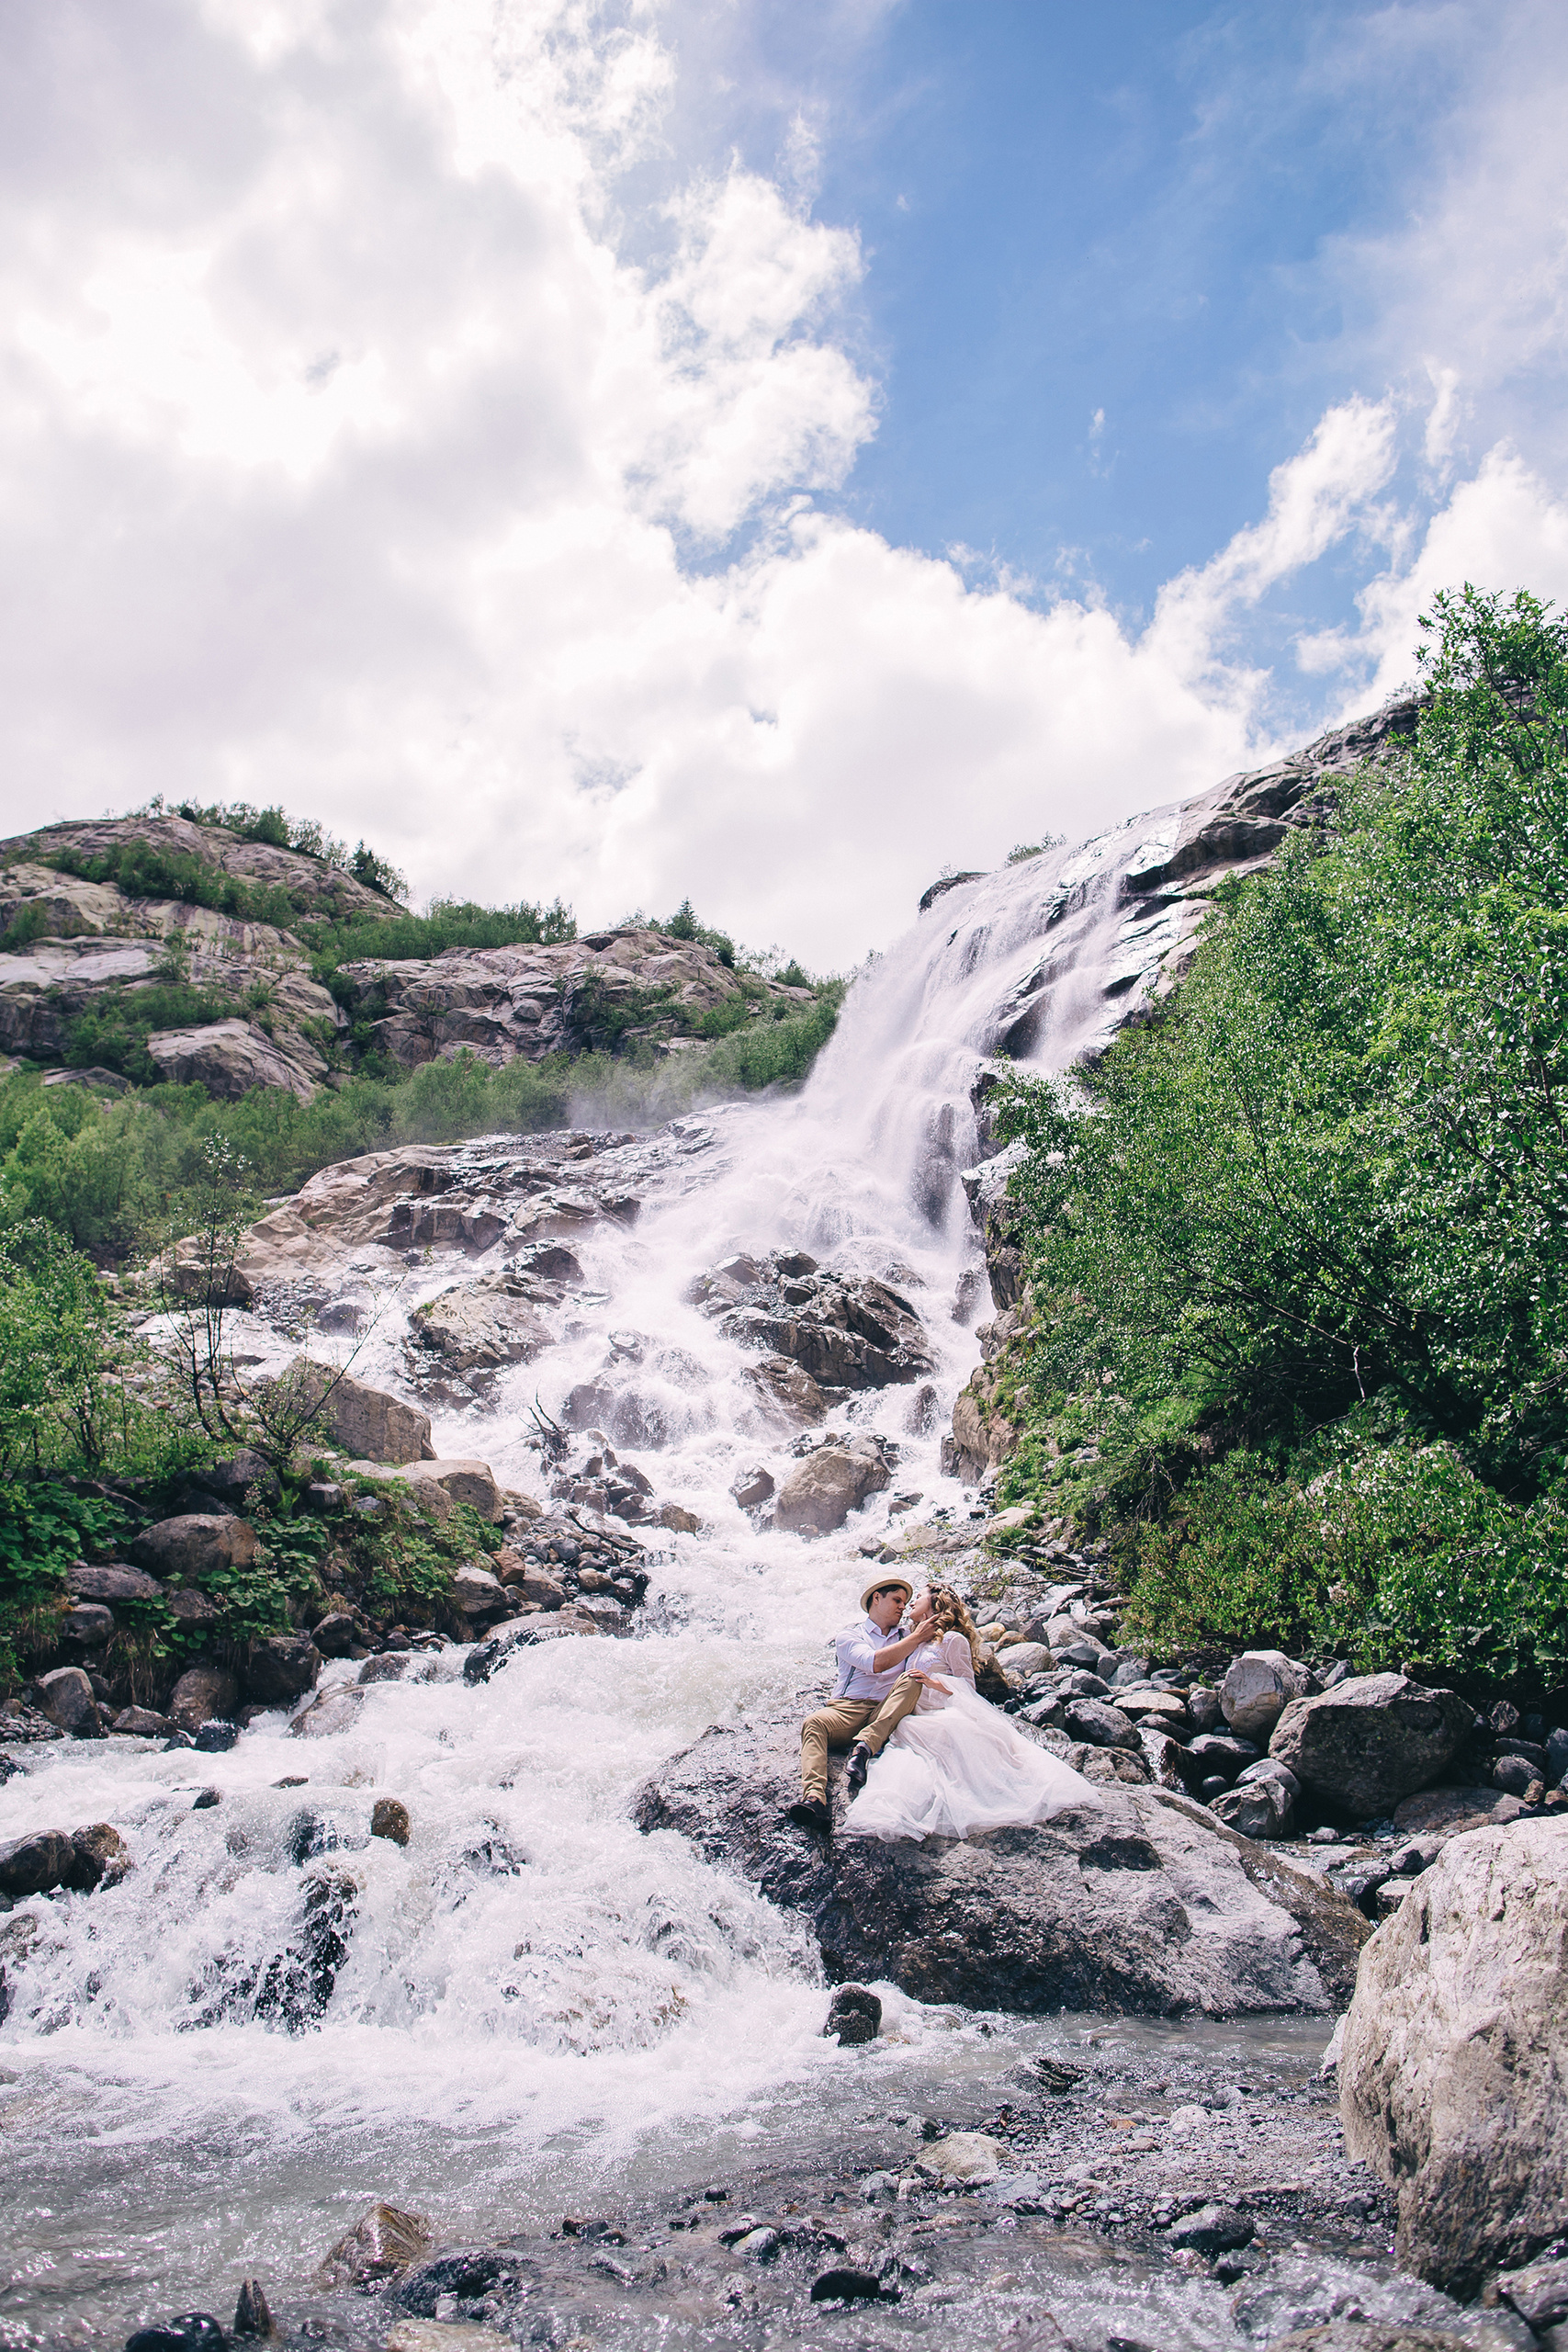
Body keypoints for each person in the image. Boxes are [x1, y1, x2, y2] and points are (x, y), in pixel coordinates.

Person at [841, 1582, 1099, 1842]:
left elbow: (967, 1688)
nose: (909, 1603)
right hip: (912, 1712)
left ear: (935, 1604)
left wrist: (931, 1682)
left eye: (917, 1597)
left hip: (940, 1713)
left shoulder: (953, 1640)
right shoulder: (912, 1639)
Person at [785, 1577, 930, 1835]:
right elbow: (875, 1663)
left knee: (912, 1680)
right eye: (897, 1600)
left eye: (906, 1603)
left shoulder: (908, 1635)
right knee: (814, 1722)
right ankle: (815, 1801)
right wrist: (916, 1639)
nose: (902, 1607)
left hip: (887, 1710)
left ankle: (863, 1749)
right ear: (877, 1598)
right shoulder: (850, 1635)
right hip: (848, 1708)